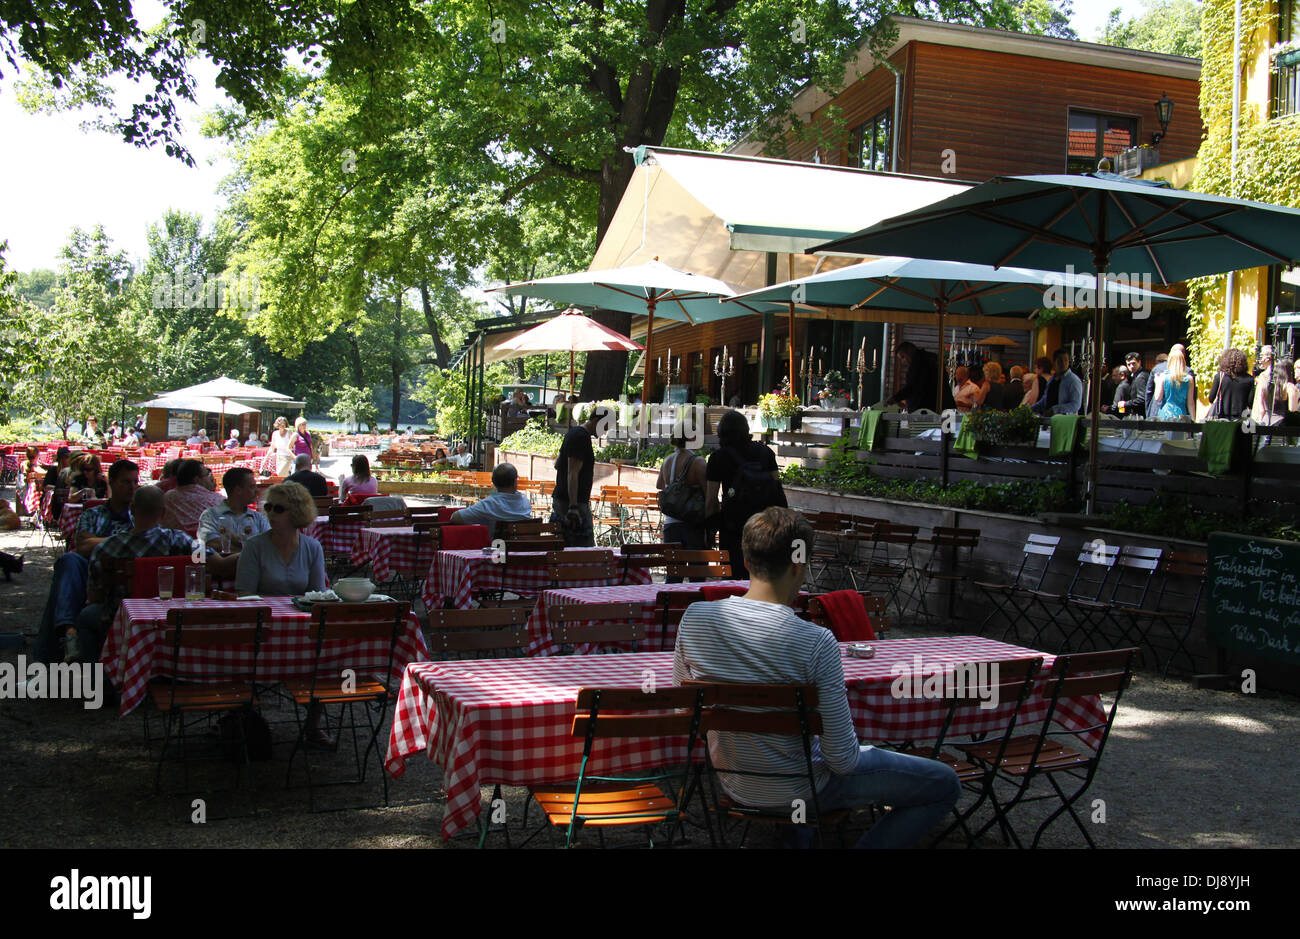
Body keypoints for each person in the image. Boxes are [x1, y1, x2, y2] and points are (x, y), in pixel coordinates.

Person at [672, 507, 961, 849]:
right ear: (798, 565)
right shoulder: (816, 642)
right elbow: (843, 760)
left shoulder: (694, 619)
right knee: (945, 783)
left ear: (747, 562)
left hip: (735, 784)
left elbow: (684, 714)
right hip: (803, 789)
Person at [69, 485, 198, 664]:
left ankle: (97, 675)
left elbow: (95, 595)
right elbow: (210, 561)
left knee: (85, 617)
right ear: (163, 513)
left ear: (132, 510)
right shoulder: (180, 540)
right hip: (172, 617)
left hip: (118, 619)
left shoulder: (105, 548)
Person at [34, 459, 139, 663]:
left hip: (127, 577)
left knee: (61, 586)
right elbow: (82, 547)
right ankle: (70, 633)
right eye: (126, 482)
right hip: (92, 572)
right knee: (69, 561)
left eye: (135, 482)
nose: (132, 487)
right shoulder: (93, 513)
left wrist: (98, 542)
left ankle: (61, 642)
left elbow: (143, 542)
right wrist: (125, 541)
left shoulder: (140, 514)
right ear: (112, 482)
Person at [706, 409, 786, 581]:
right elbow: (776, 489)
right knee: (762, 577)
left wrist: (710, 531)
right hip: (764, 526)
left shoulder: (717, 458)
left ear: (722, 433)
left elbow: (711, 500)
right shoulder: (765, 452)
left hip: (732, 528)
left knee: (733, 578)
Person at [235, 481, 326, 597]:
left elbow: (318, 595)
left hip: (302, 613)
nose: (271, 513)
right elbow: (244, 593)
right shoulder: (253, 546)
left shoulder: (313, 547)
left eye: (279, 509)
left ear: (297, 512)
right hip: (263, 613)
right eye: (268, 507)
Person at [657, 421, 708, 582]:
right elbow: (708, 494)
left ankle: (669, 606)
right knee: (697, 576)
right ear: (692, 436)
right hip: (692, 524)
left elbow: (660, 485)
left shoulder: (667, 461)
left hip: (670, 525)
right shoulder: (698, 462)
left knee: (673, 576)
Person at [197, 466, 270, 579]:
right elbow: (211, 545)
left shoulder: (258, 517)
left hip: (257, 578)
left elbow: (269, 546)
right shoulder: (210, 515)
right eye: (252, 486)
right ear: (238, 490)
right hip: (223, 578)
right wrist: (252, 550)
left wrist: (231, 545)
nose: (257, 490)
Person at [550, 406, 607, 547]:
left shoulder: (573, 433)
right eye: (605, 426)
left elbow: (558, 464)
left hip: (564, 499)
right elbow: (573, 472)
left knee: (564, 547)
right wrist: (573, 506)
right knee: (584, 550)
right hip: (572, 503)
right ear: (595, 420)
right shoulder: (581, 437)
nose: (605, 431)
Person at [449, 462, 533, 538]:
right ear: (515, 481)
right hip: (525, 551)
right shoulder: (525, 501)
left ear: (493, 482)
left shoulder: (489, 505)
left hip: (498, 551)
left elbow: (455, 518)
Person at [162, 458, 223, 533]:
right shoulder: (216, 500)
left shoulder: (167, 497)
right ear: (196, 480)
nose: (210, 477)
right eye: (207, 474)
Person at [886, 342, 943, 412]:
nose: (904, 361)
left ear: (910, 350)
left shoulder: (918, 363)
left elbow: (911, 386)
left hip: (925, 408)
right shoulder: (930, 357)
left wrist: (895, 398)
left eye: (903, 357)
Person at [1153, 345, 1195, 437]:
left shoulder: (1164, 377)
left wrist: (1157, 382)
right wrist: (1193, 419)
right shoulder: (1189, 379)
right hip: (1181, 414)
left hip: (1166, 413)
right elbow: (1190, 402)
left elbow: (1157, 398)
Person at [1031, 348, 1083, 416]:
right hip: (1048, 419)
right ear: (1054, 362)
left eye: (1066, 360)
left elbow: (1076, 405)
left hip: (1064, 421)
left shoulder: (1073, 380)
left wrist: (1055, 409)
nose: (1063, 363)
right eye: (1060, 361)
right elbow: (1045, 399)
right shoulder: (1052, 380)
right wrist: (1031, 409)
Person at [1208, 348, 1255, 421]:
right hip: (1240, 419)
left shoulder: (1220, 377)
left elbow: (1211, 398)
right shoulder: (1249, 379)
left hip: (1221, 418)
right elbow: (1250, 403)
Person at [1116, 352, 1149, 418]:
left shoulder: (1141, 377)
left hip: (1140, 416)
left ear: (1139, 362)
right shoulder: (1138, 375)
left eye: (1133, 363)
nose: (1131, 367)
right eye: (1129, 364)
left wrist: (1125, 404)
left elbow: (1142, 399)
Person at [1143, 352, 1171, 420]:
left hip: (1158, 407)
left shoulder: (1156, 368)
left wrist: (1148, 411)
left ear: (1157, 361)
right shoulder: (1181, 369)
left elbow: (1149, 391)